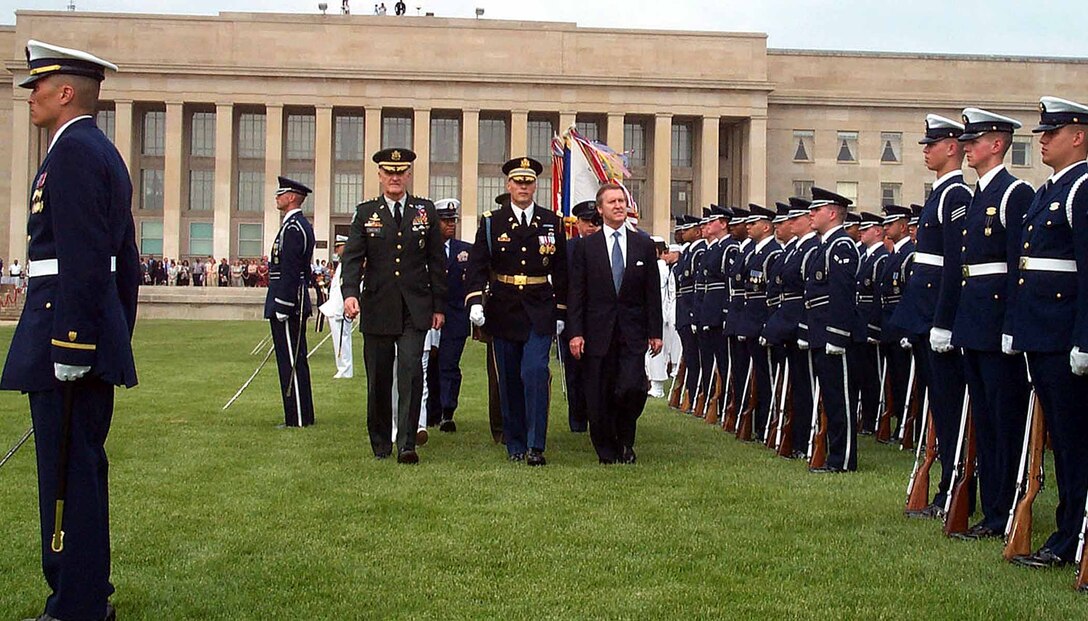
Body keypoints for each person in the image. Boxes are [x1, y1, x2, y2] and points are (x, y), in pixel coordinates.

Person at [0, 40, 138, 621]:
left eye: (37, 85)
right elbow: (123, 265)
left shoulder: (76, 152)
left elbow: (85, 256)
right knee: (76, 468)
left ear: (64, 93)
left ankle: (76, 604)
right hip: (74, 331)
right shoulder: (90, 149)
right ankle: (82, 595)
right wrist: (112, 332)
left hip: (64, 336)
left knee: (66, 474)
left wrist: (76, 343)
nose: (27, 94)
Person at [936, 108, 1034, 539]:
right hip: (974, 321)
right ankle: (992, 508)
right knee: (985, 420)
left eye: (975, 142)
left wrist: (1013, 324)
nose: (968, 148)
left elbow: (1018, 267)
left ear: (997, 144)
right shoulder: (977, 196)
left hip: (996, 324)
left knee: (1004, 417)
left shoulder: (1015, 194)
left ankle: (1005, 509)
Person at [1004, 97, 1088, 567]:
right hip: (1043, 335)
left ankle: (1072, 538)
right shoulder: (1048, 190)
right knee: (1062, 441)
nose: (1041, 141)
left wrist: (1084, 339)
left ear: (1078, 136)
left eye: (1050, 133)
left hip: (1064, 337)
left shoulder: (1082, 188)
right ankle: (1068, 532)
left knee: (1075, 444)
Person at [341, 147, 446, 464]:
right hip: (377, 305)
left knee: (412, 372)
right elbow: (353, 258)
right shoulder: (365, 213)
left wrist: (439, 306)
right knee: (379, 377)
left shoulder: (424, 211)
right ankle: (380, 442)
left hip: (415, 308)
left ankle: (407, 443)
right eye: (389, 173)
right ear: (380, 176)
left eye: (400, 173)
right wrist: (349, 293)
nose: (395, 178)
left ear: (409, 175)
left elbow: (437, 262)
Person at [894, 113, 972, 519]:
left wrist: (943, 320)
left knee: (950, 407)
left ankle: (954, 487)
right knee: (939, 406)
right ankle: (946, 485)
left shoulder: (955, 196)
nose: (925, 150)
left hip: (937, 319)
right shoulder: (939, 194)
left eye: (932, 143)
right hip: (923, 317)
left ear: (952, 147)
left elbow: (954, 264)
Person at [465, 156, 567, 466]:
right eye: (518, 181)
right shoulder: (491, 222)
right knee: (507, 379)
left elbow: (562, 270)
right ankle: (515, 443)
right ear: (508, 185)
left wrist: (561, 311)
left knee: (534, 372)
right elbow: (477, 266)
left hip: (539, 307)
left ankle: (536, 444)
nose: (523, 186)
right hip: (503, 307)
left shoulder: (553, 221)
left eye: (529, 181)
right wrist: (475, 302)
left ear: (536, 185)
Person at [568, 183, 662, 464]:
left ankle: (626, 441)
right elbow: (577, 294)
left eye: (622, 201)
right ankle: (607, 450)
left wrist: (655, 332)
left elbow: (652, 292)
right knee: (599, 394)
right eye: (612, 202)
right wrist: (576, 333)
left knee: (631, 388)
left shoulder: (643, 244)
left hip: (632, 332)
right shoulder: (587, 247)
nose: (619, 205)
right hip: (598, 332)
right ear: (600, 209)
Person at [804, 187, 861, 473]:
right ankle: (834, 455)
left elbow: (842, 294)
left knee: (841, 400)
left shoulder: (841, 246)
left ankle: (844, 458)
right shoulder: (824, 247)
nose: (811, 214)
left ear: (833, 212)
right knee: (830, 397)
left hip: (832, 335)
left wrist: (837, 335)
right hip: (820, 332)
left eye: (817, 209)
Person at [264, 177, 316, 428]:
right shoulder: (292, 226)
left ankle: (296, 417)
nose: (277, 197)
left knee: (291, 361)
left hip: (289, 302)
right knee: (293, 359)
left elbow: (292, 269)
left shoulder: (294, 228)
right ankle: (302, 414)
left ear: (292, 197)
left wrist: (283, 304)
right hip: (290, 299)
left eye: (281, 193)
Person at [736, 204, 783, 440]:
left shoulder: (773, 253)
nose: (748, 226)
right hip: (751, 320)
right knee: (757, 375)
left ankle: (769, 424)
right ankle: (759, 422)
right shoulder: (754, 252)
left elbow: (771, 293)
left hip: (763, 320)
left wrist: (767, 324)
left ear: (766, 226)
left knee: (767, 377)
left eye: (753, 223)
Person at [559, 200, 600, 430]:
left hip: (600, 317)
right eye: (586, 221)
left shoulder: (607, 245)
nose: (591, 226)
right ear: (578, 223)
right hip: (574, 317)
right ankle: (577, 420)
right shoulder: (569, 248)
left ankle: (599, 417)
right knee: (574, 371)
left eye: (596, 221)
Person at [877, 204, 915, 441]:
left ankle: (907, 425)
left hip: (901, 326)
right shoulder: (893, 255)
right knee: (895, 380)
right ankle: (900, 422)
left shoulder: (910, 254)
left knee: (904, 379)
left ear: (903, 226)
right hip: (889, 326)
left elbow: (909, 294)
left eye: (890, 224)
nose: (886, 228)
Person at [850, 212, 888, 435]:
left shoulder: (881, 257)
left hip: (870, 322)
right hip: (859, 321)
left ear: (877, 231)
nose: (861, 232)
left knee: (873, 374)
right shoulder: (863, 256)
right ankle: (865, 416)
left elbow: (877, 296)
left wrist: (874, 327)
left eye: (866, 229)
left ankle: (873, 418)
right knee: (862, 372)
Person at [435, 198, 472, 431]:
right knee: (427, 365)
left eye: (453, 220)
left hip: (456, 317)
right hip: (429, 316)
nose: (450, 224)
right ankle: (429, 411)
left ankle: (447, 412)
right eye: (445, 220)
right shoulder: (425, 249)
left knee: (449, 365)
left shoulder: (465, 250)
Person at [320, 235, 354, 379]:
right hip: (335, 307)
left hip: (340, 308)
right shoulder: (342, 263)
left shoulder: (347, 263)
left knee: (342, 340)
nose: (337, 250)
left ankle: (345, 369)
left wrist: (342, 309)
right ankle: (341, 367)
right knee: (338, 340)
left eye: (339, 247)